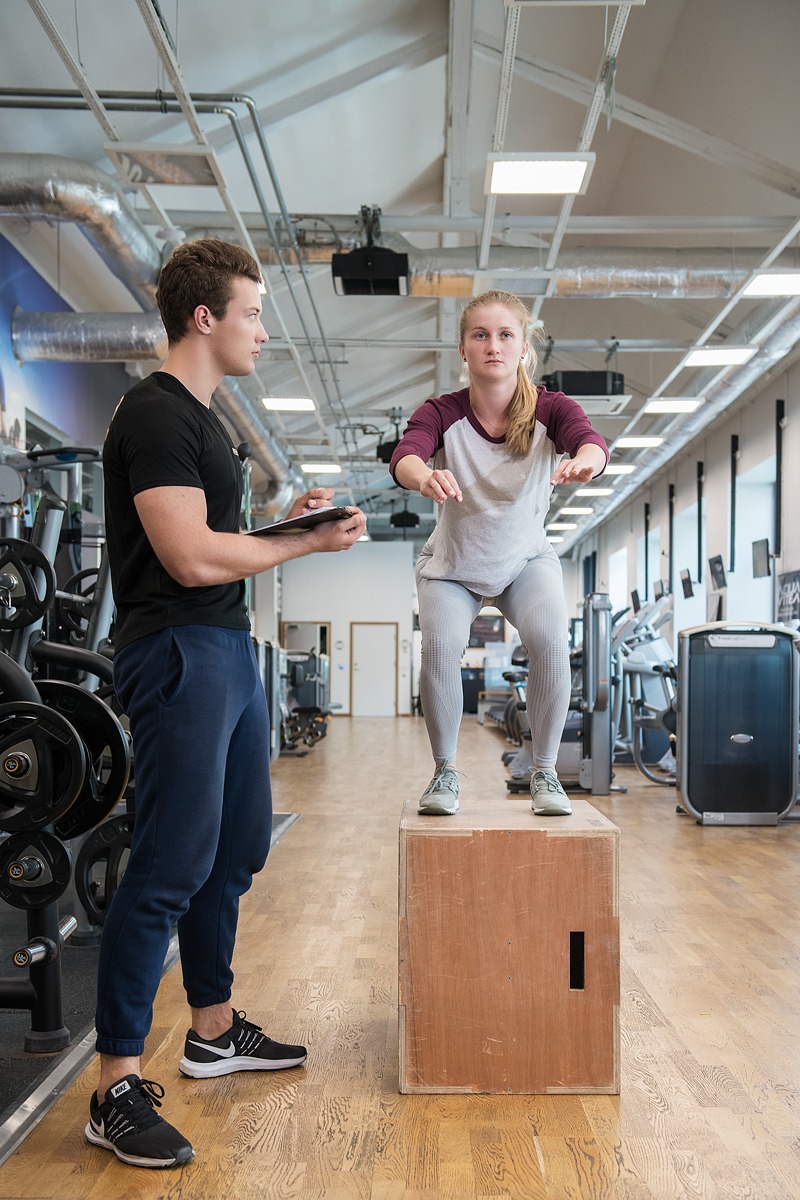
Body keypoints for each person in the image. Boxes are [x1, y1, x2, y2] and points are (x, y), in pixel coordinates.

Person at [87, 238, 366, 1170]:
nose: (263, 329)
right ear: (203, 318)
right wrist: (309, 547)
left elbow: (219, 540)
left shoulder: (208, 423)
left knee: (234, 849)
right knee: (166, 864)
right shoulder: (157, 414)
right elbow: (192, 559)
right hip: (176, 651)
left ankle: (210, 1029)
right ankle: (115, 1086)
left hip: (225, 651)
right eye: (251, 311)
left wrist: (290, 523)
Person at [389, 290, 608, 819]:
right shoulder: (441, 412)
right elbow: (406, 454)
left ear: (524, 348)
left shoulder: (551, 408)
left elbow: (590, 440)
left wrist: (586, 461)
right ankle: (444, 772)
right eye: (480, 335)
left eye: (506, 334)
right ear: (462, 349)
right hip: (453, 569)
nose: (493, 345)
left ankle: (547, 772)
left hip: (523, 564)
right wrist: (425, 475)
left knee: (552, 644)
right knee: (440, 651)